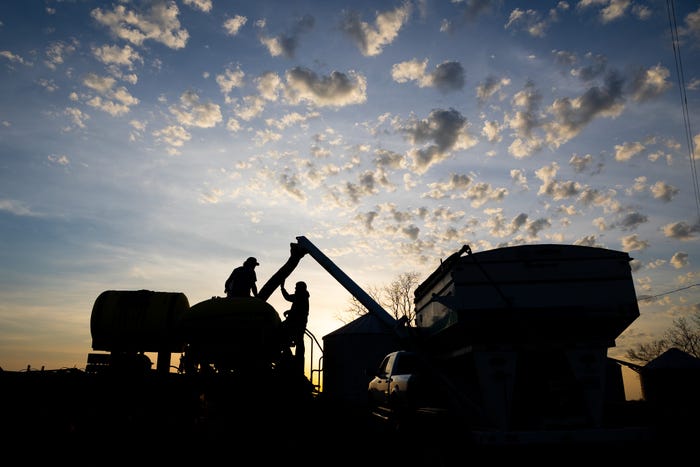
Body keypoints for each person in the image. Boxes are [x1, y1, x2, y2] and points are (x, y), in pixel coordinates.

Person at [280, 280, 310, 373]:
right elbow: (298, 309)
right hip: (298, 323)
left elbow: (288, 297)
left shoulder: (301, 296)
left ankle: (290, 357)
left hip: (296, 324)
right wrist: (289, 311)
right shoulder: (302, 297)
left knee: (282, 334)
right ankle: (292, 358)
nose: (295, 289)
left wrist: (282, 288)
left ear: (300, 289)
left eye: (296, 288)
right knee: (298, 341)